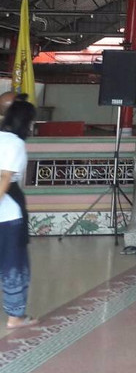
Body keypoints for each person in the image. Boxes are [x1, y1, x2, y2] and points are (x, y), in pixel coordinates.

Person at [0, 96, 35, 328]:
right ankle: (15, 316)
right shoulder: (15, 144)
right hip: (9, 215)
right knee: (14, 263)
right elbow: (4, 177)